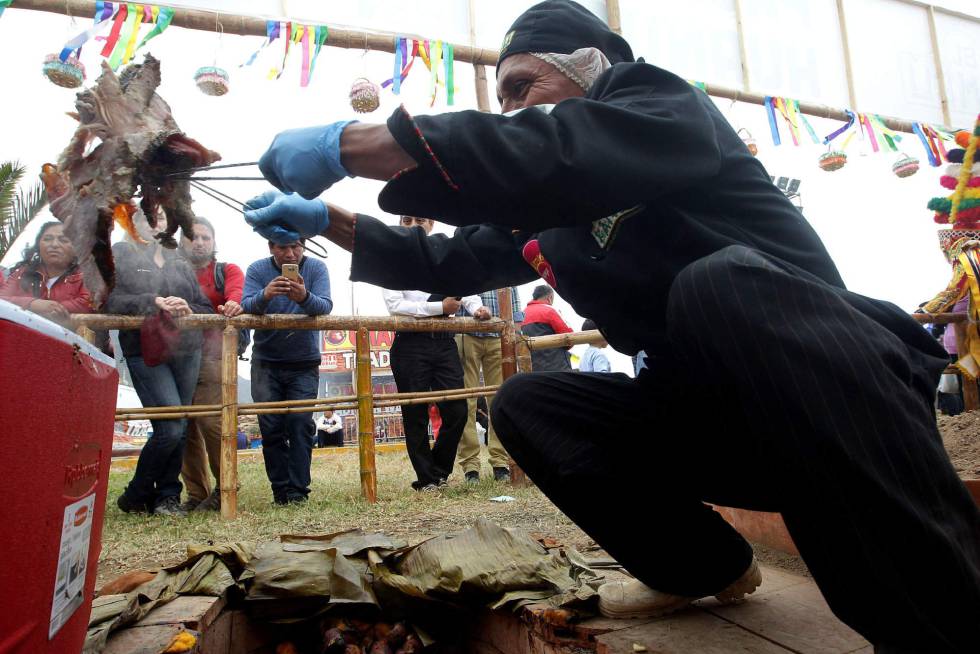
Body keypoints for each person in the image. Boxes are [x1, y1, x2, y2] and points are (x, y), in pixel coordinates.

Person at [243, 1, 980, 649]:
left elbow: (562, 151)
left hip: (838, 399)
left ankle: (946, 624)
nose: (510, 113)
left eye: (522, 89)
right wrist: (330, 222)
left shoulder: (659, 106)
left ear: (593, 71)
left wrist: (356, 145)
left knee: (717, 284)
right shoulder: (552, 211)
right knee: (531, 404)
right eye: (501, 99)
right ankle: (704, 568)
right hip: (725, 428)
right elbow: (456, 257)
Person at [109, 211, 213, 516]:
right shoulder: (122, 253)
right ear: (134, 223)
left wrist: (187, 307)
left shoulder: (178, 260)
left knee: (180, 429)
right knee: (169, 427)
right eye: (148, 216)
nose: (155, 223)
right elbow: (108, 300)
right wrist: (152, 301)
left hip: (186, 350)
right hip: (144, 349)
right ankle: (135, 494)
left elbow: (204, 306)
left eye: (161, 217)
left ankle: (167, 497)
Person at [382, 215, 491, 491]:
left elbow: (464, 292)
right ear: (400, 224)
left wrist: (476, 308)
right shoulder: (392, 259)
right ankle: (427, 478)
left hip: (444, 342)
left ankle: (438, 472)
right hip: (409, 344)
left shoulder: (446, 255)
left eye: (421, 219)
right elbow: (396, 306)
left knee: (456, 410)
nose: (415, 225)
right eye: (408, 220)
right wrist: (439, 308)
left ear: (431, 224)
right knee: (415, 413)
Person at [241, 235, 332, 504]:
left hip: (304, 361)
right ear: (271, 247)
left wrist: (304, 297)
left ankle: (298, 491)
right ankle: (280, 490)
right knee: (271, 428)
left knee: (300, 423)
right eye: (283, 247)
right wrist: (266, 294)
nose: (291, 253)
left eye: (296, 246)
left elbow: (325, 306)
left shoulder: (316, 268)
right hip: (265, 362)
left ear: (303, 246)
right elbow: (247, 305)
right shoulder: (258, 269)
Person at [177, 217, 244, 512]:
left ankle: (226, 484)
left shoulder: (225, 270)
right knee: (183, 425)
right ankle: (195, 493)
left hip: (213, 355)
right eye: (193, 237)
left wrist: (232, 304)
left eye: (206, 237)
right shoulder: (172, 271)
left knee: (211, 421)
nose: (200, 242)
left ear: (214, 242)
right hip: (175, 356)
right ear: (181, 242)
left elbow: (236, 297)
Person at [456, 287, 522, 482]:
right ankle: (470, 466)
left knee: (500, 401)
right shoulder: (463, 262)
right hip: (465, 333)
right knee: (466, 402)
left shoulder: (506, 267)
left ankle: (501, 462)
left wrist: (515, 335)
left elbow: (516, 307)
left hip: (499, 338)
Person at [0, 221, 93, 325]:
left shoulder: (87, 274)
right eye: (47, 239)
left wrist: (51, 309)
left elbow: (88, 303)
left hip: (73, 339)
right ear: (38, 245)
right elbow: (2, 300)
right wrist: (33, 304)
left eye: (63, 240)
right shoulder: (22, 273)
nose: (54, 245)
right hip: (23, 337)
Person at [521, 285, 573, 371]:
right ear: (550, 297)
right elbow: (570, 337)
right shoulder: (550, 310)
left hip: (533, 369)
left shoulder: (523, 313)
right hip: (557, 367)